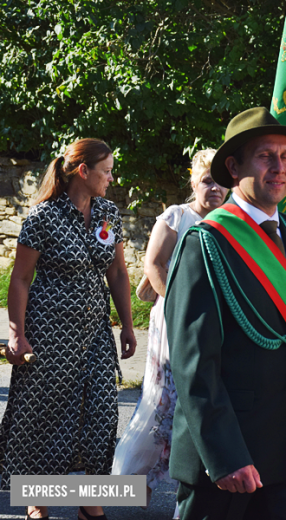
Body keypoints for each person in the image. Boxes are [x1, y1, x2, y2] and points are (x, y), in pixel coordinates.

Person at [164, 107, 286, 520]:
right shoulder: (205, 243)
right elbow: (193, 365)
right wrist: (225, 456)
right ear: (233, 166)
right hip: (230, 455)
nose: (279, 168)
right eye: (265, 156)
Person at [0, 138, 137, 520]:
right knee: (43, 418)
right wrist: (16, 333)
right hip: (48, 336)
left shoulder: (109, 213)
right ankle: (37, 506)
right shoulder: (43, 217)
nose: (111, 177)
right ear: (83, 171)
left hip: (95, 336)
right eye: (106, 171)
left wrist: (127, 325)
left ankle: (90, 507)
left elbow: (119, 272)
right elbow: (21, 279)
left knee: (100, 417)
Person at [112, 149, 228, 506]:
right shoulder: (177, 216)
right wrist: (182, 307)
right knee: (164, 399)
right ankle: (124, 488)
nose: (214, 189)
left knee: (199, 398)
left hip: (214, 322)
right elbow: (153, 264)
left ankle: (192, 489)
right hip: (175, 320)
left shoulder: (230, 220)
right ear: (192, 180)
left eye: (221, 182)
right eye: (207, 180)